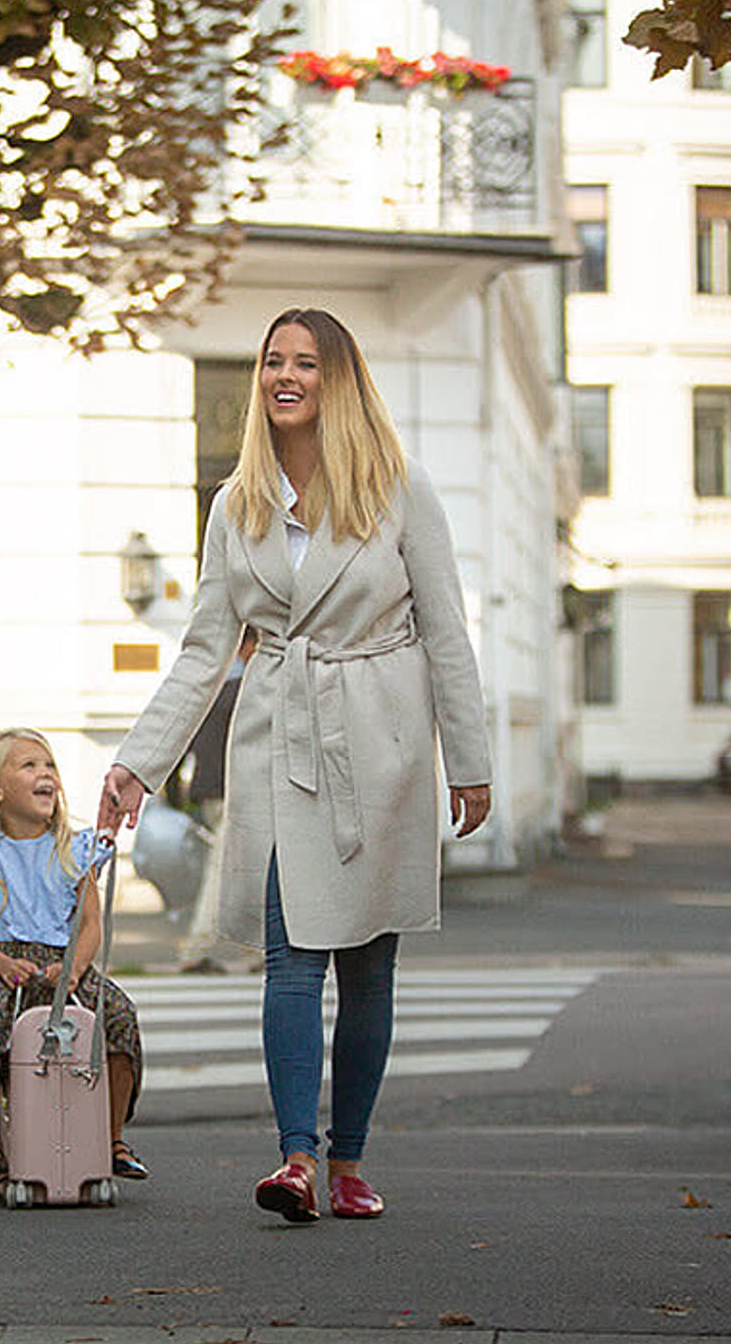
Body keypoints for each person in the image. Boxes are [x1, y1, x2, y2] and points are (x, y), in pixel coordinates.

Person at [97, 307, 491, 1223]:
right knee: (290, 954)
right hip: (281, 737)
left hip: (382, 741)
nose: (285, 376)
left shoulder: (399, 488)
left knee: (368, 967)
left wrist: (466, 761)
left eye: (305, 363)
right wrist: (138, 765)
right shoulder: (236, 505)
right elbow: (203, 652)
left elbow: (446, 631)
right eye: (273, 360)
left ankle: (350, 1161)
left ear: (337, 380)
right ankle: (296, 1161)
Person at [0, 728, 147, 1195]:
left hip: (65, 961)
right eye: (29, 766)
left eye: (49, 765)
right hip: (3, 962)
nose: (45, 775)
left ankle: (112, 1138)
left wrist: (74, 967)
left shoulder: (75, 849)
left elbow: (91, 923)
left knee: (118, 1017)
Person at [177, 628, 256, 973]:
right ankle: (197, 947)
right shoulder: (242, 691)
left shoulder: (212, 687)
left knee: (244, 870)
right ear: (248, 647)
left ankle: (257, 950)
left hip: (211, 789)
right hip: (233, 792)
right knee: (223, 871)